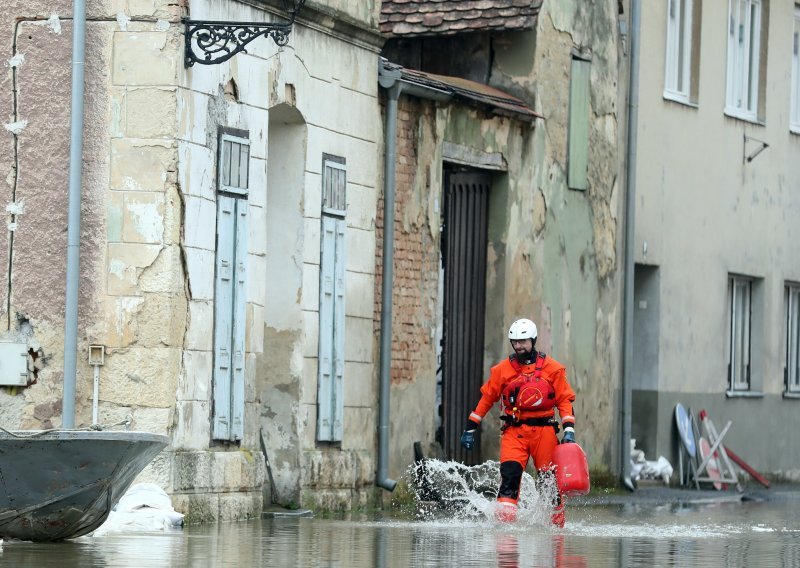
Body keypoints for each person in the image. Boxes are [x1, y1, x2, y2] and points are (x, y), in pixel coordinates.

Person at [460, 318, 576, 526]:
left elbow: (564, 400)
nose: (519, 346)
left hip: (545, 431)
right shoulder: (502, 371)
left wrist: (569, 429)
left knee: (548, 482)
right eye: (515, 342)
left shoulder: (554, 369)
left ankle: (556, 528)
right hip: (515, 431)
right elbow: (487, 398)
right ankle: (505, 531)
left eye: (523, 341)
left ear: (533, 340)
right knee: (510, 477)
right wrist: (471, 427)